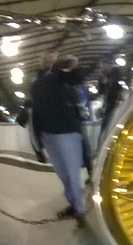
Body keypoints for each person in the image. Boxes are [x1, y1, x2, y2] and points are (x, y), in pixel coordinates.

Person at [31, 55, 91, 219]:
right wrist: (38, 143)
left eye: (50, 59)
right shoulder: (36, 82)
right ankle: (73, 204)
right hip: (47, 134)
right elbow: (35, 110)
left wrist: (73, 65)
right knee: (63, 173)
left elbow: (76, 78)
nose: (46, 61)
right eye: (45, 59)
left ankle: (79, 210)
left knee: (72, 174)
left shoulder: (59, 76)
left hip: (67, 132)